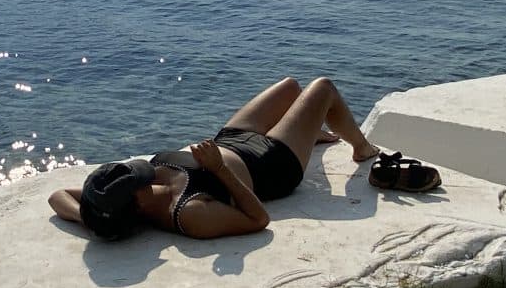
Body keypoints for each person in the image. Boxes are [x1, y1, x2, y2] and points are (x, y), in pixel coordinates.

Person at [49, 76, 398, 241]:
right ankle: (360, 147)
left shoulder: (110, 199)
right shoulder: (188, 213)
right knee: (322, 89)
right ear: (136, 203)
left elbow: (56, 197)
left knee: (291, 86)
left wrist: (94, 219)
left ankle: (308, 131)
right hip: (273, 163)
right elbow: (258, 219)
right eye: (136, 178)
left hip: (229, 140)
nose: (141, 174)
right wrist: (218, 170)